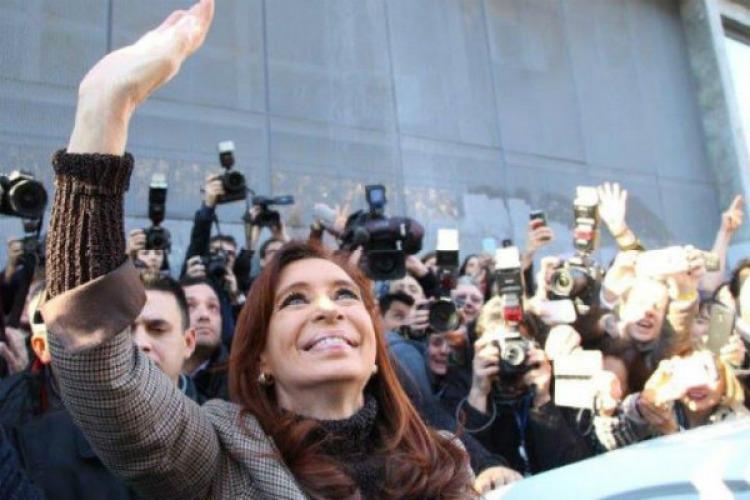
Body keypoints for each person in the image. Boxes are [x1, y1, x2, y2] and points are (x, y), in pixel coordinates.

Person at [43, 2, 475, 497]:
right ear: (262, 359)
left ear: (377, 349)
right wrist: (104, 107)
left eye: (345, 294)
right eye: (294, 300)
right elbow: (97, 361)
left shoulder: (446, 461)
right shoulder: (221, 460)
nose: (327, 309)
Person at [0, 274, 200, 500]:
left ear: (188, 343)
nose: (139, 343)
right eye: (122, 330)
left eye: (157, 329)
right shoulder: (35, 448)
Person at [181, 276, 229, 401]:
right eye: (190, 306)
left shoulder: (241, 381)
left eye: (212, 307)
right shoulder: (151, 372)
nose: (204, 315)